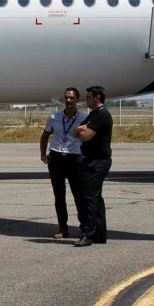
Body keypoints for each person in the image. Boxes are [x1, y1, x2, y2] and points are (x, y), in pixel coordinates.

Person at [38, 87, 85, 239]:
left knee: (79, 195)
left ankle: (84, 227)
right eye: (66, 98)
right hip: (57, 157)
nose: (69, 101)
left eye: (72, 98)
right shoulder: (55, 117)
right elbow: (45, 136)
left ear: (77, 99)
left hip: (74, 158)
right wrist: (43, 154)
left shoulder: (84, 118)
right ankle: (62, 228)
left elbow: (90, 139)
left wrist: (85, 156)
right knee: (59, 196)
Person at [72, 85, 114, 246]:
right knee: (96, 198)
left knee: (89, 197)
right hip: (91, 160)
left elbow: (84, 137)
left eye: (88, 97)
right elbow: (75, 133)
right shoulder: (93, 115)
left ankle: (88, 234)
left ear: (97, 97)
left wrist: (81, 131)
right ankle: (99, 234)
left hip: (98, 161)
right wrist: (79, 129)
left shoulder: (101, 115)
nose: (86, 99)